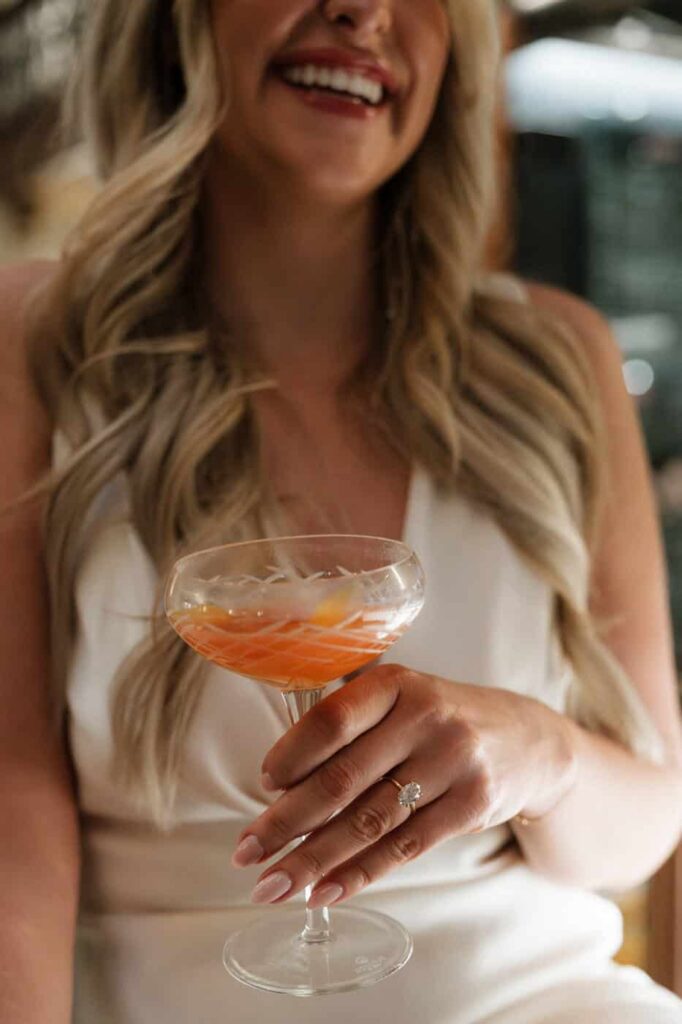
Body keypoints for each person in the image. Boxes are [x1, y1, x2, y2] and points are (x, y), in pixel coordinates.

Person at [1, 0, 682, 1021]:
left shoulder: (557, 357)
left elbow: (640, 828)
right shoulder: (31, 338)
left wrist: (536, 749)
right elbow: (12, 811)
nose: (362, 12)